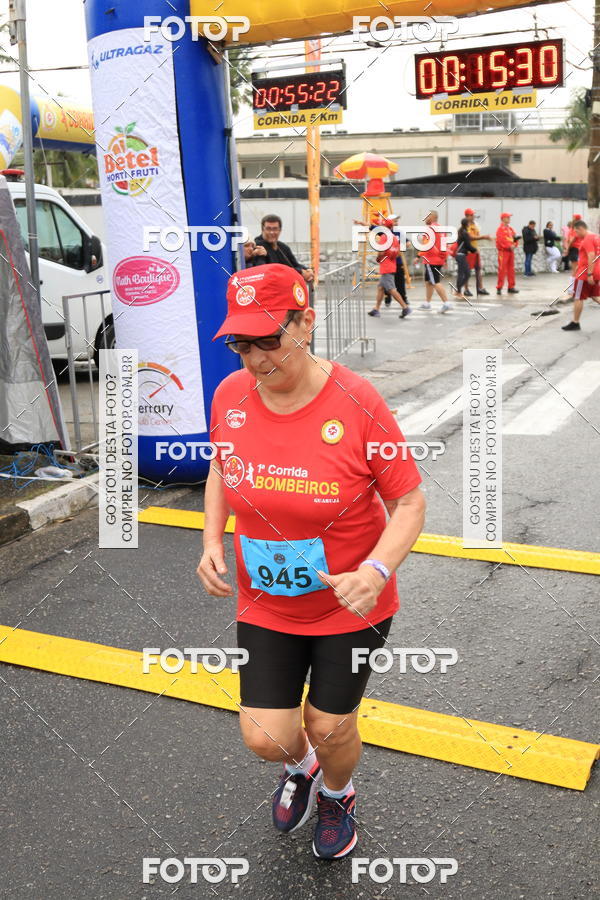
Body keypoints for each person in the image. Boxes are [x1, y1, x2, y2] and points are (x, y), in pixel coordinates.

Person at [198, 263, 425, 860]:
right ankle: (302, 768)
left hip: (350, 601)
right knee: (265, 737)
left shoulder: (357, 400)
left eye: (269, 339)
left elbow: (408, 502)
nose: (255, 359)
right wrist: (212, 538)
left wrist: (375, 571)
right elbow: (223, 464)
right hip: (267, 599)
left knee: (329, 726)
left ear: (306, 323)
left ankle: (338, 792)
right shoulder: (229, 395)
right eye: (241, 343)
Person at [561, 220, 600, 331]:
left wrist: (589, 273)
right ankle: (575, 322)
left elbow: (591, 255)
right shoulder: (596, 237)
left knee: (578, 297)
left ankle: (575, 322)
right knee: (595, 296)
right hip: (596, 271)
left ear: (581, 228)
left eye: (577, 232)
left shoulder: (587, 239)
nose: (576, 235)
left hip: (585, 274)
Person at [367, 223, 411, 318]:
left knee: (391, 289)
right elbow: (398, 253)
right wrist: (390, 257)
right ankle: (376, 309)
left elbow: (381, 252)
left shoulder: (384, 237)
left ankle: (405, 307)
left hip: (386, 267)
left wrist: (378, 258)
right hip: (392, 265)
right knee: (380, 288)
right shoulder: (394, 238)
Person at [254, 214, 314, 282]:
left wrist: (307, 270)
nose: (271, 232)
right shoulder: (258, 246)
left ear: (280, 230)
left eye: (275, 229)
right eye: (268, 229)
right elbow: (271, 270)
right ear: (262, 229)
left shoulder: (283, 247)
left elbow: (294, 264)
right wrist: (300, 272)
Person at [419, 210, 452, 313]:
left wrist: (418, 255)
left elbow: (426, 245)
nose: (425, 218)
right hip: (439, 259)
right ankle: (427, 303)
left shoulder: (430, 229)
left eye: (427, 216)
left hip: (431, 260)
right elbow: (445, 245)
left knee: (435, 282)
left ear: (432, 217)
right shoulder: (441, 229)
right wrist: (444, 259)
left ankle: (446, 303)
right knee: (429, 281)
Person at [464, 207, 491, 296]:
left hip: (475, 250)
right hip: (468, 251)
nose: (473, 217)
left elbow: (477, 235)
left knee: (478, 269)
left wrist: (480, 236)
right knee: (467, 271)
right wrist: (483, 237)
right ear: (467, 216)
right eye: (471, 215)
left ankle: (480, 288)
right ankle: (466, 289)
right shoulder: (465, 226)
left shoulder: (474, 225)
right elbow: (470, 237)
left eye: (473, 215)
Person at [496, 212, 520, 295]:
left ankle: (511, 287)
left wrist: (514, 245)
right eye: (508, 217)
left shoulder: (510, 229)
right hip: (503, 252)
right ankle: (499, 287)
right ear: (503, 219)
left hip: (510, 251)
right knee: (502, 269)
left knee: (511, 269)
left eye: (509, 217)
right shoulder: (500, 229)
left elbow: (515, 238)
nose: (509, 219)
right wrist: (509, 246)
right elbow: (500, 241)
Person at [454, 218, 478, 298]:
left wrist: (472, 250)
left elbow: (466, 245)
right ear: (467, 224)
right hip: (461, 255)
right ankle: (458, 291)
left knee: (466, 273)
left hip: (461, 255)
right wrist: (475, 250)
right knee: (463, 273)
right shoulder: (464, 233)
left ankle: (458, 290)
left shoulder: (462, 232)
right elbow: (468, 245)